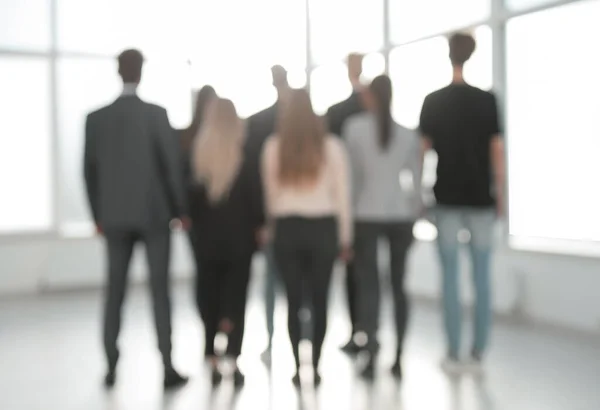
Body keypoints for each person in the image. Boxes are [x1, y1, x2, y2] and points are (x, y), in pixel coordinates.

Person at [83, 49, 189, 389]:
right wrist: (181, 210)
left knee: (114, 291)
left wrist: (97, 215)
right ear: (141, 72)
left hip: (113, 217)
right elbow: (171, 167)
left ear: (118, 72)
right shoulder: (156, 115)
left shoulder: (96, 118)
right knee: (160, 291)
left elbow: (89, 171)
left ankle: (111, 364)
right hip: (154, 216)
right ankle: (167, 364)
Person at [419, 32, 505, 374]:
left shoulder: (433, 101)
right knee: (482, 278)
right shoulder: (487, 100)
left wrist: (420, 197)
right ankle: (478, 352)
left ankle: (453, 353)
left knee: (451, 279)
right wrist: (502, 195)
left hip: (448, 200)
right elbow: (496, 152)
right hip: (481, 200)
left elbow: (422, 154)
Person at [261, 89, 352, 387]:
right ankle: (316, 363)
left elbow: (270, 198)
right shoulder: (332, 147)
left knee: (294, 301)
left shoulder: (274, 147)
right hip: (323, 229)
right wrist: (345, 238)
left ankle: (299, 368)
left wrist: (273, 231)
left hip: (287, 229)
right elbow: (342, 197)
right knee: (320, 299)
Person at [344, 75, 422, 381]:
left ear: (370, 97)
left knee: (369, 287)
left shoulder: (355, 129)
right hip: (399, 215)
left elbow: (352, 181)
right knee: (399, 286)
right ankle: (399, 356)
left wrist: (346, 222)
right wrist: (415, 216)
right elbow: (415, 185)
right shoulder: (407, 134)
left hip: (366, 214)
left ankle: (371, 354)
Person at [189, 98, 263, 387]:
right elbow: (255, 199)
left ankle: (211, 354)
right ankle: (233, 355)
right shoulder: (245, 152)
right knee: (235, 299)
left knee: (210, 295)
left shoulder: (199, 152)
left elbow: (191, 203)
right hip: (239, 241)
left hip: (206, 241)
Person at [246, 65, 292, 363]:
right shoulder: (270, 122)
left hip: (276, 214)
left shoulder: (261, 122)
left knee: (274, 283)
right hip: (289, 216)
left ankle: (275, 340)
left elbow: (254, 176)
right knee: (289, 284)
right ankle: (285, 339)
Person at [325, 53, 365, 354]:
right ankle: (363, 332)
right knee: (361, 274)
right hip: (362, 202)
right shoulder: (363, 109)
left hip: (356, 201)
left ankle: (360, 331)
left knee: (357, 274)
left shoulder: (339, 113)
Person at [177, 85, 217, 317]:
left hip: (196, 215)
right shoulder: (189, 136)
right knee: (209, 270)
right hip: (204, 215)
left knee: (204, 270)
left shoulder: (187, 136)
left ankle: (209, 322)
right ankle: (212, 321)